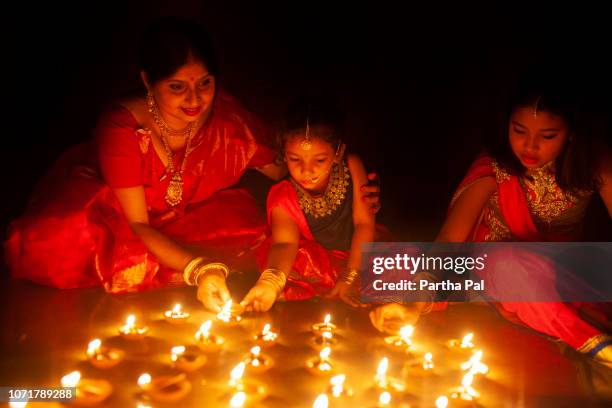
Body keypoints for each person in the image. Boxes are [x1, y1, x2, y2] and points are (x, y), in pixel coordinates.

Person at [4, 17, 380, 313]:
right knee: (57, 240)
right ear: (148, 81)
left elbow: (291, 166)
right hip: (121, 219)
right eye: (177, 87)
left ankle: (429, 280)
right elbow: (137, 224)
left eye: (205, 83)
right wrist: (201, 270)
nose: (195, 99)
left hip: (195, 215)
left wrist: (346, 179)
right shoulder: (123, 126)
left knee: (283, 242)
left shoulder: (227, 123)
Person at [370, 76, 612, 367]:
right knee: (505, 265)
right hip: (501, 276)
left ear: (571, 133)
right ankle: (594, 343)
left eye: (547, 136)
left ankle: (564, 323)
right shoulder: (495, 166)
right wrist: (413, 299)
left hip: (562, 274)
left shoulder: (593, 161)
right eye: (518, 131)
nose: (529, 146)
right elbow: (449, 240)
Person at [240, 99, 381, 312]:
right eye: (295, 159)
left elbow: (364, 224)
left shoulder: (351, 166)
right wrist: (269, 283)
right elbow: (285, 244)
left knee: (403, 271)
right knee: (294, 263)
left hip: (359, 253)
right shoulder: (283, 195)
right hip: (316, 261)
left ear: (338, 153)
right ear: (283, 155)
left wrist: (351, 275)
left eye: (319, 160)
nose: (307, 171)